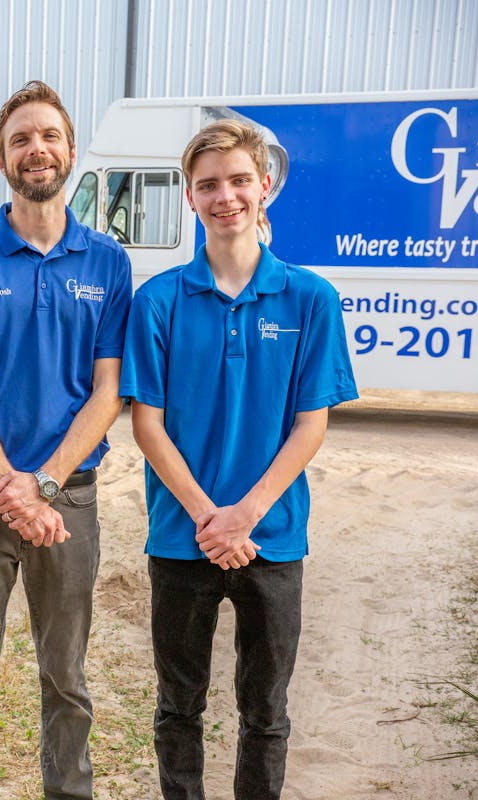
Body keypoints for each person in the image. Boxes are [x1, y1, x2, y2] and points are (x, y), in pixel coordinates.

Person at [120, 119, 359, 799]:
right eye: (208, 185)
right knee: (178, 708)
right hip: (181, 538)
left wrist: (244, 516)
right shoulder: (159, 300)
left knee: (266, 714)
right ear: (190, 198)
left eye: (238, 181)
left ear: (266, 187)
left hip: (274, 539)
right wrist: (207, 517)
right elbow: (147, 424)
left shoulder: (311, 298)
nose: (225, 196)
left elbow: (311, 426)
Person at [0, 81, 133, 800]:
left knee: (66, 674)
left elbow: (108, 393)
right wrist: (13, 488)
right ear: (2, 157)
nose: (35, 148)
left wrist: (41, 483)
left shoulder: (107, 264)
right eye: (20, 138)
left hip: (68, 500)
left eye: (48, 136)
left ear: (70, 152)